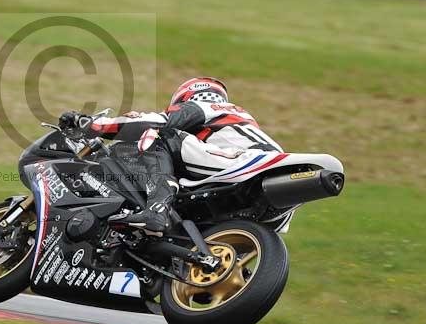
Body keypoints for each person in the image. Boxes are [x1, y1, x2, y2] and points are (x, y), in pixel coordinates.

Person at [59, 77, 283, 233]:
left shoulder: (204, 105)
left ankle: (156, 210)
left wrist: (95, 125)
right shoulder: (235, 119)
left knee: (161, 134)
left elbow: (156, 122)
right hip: (270, 194)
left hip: (246, 164)